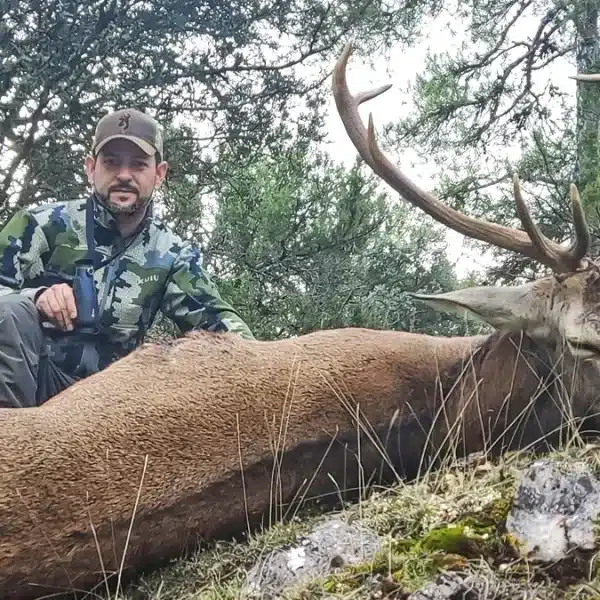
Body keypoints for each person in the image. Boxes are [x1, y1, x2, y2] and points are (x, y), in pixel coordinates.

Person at [0, 107, 255, 408]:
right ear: (90, 167)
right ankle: (9, 443)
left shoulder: (172, 253)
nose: (124, 175)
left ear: (159, 174)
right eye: (111, 163)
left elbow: (218, 321)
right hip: (35, 381)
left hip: (114, 403)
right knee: (12, 310)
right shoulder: (39, 224)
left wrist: (267, 362)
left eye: (138, 165)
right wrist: (36, 296)